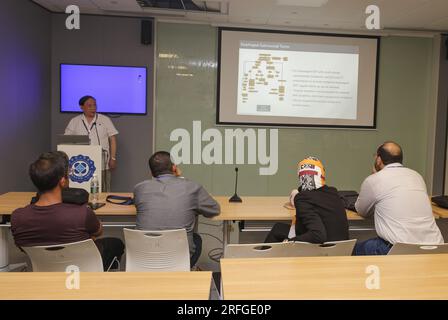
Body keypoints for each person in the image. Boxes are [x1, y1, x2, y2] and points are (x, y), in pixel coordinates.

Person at [10, 151, 124, 271]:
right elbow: (98, 231)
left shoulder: (17, 217)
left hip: (43, 270)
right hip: (82, 268)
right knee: (116, 244)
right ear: (63, 181)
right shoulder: (82, 214)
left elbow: (23, 248)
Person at [354, 141, 444, 255]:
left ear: (378, 160)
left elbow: (362, 211)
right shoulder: (417, 176)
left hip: (398, 250)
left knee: (353, 249)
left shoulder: (374, 180)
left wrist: (374, 176)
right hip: (435, 248)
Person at [133, 151, 220, 267]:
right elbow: (214, 209)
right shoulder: (192, 187)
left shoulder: (139, 189)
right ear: (174, 168)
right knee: (196, 239)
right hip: (179, 258)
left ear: (152, 173)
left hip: (145, 257)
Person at [265, 157, 349, 243]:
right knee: (278, 228)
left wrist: (290, 241)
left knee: (278, 229)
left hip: (321, 250)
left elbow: (318, 235)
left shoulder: (302, 199)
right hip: (343, 248)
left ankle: (263, 256)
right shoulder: (334, 193)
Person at [64, 95, 118, 192]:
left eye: (95, 105)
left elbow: (112, 139)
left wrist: (113, 158)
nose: (93, 108)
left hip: (102, 163)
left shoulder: (104, 119)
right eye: (89, 105)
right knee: (81, 189)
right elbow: (66, 140)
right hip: (80, 164)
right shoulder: (74, 121)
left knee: (103, 189)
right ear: (81, 107)